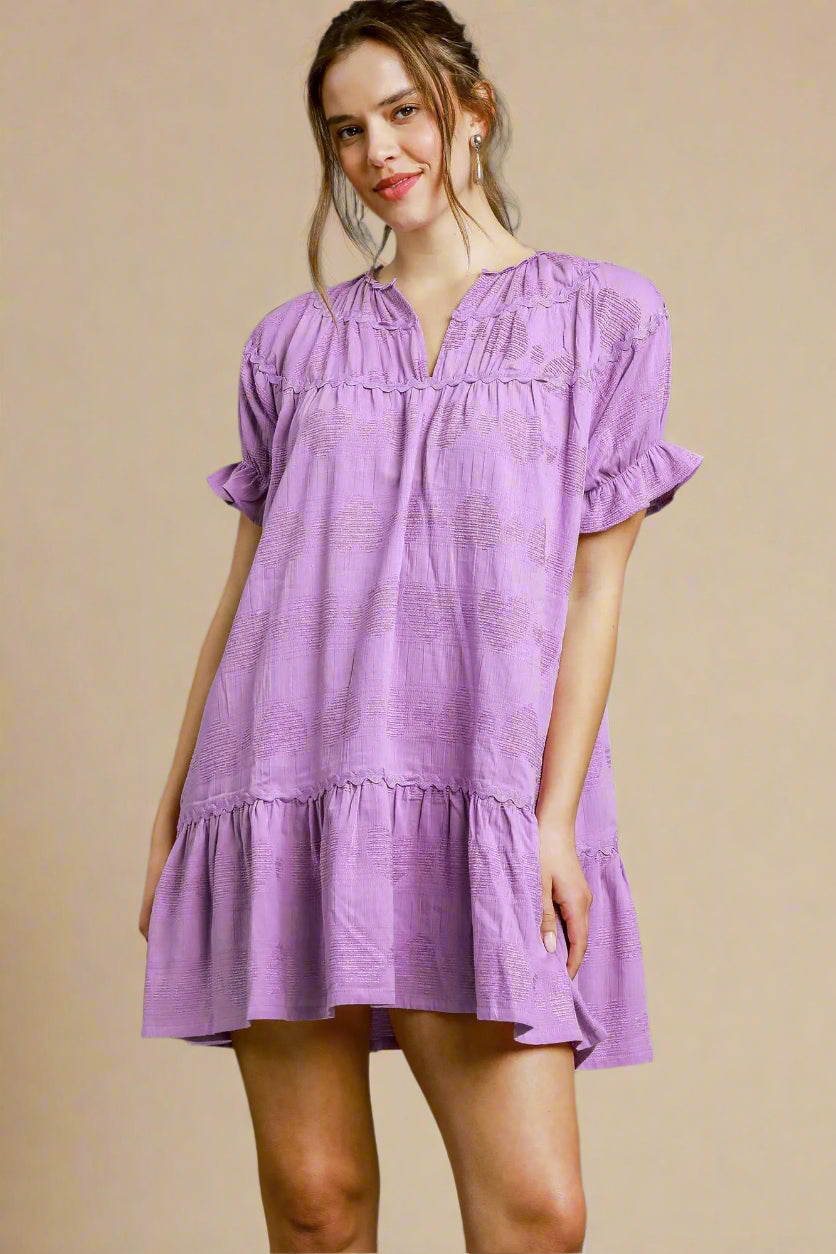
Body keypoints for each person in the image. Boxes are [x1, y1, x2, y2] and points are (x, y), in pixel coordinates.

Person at [139, 2, 704, 1250]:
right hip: (282, 776)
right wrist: (181, 810)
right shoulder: (292, 344)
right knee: (317, 1204)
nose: (377, 151)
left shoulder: (602, 319)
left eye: (403, 111)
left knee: (536, 1214)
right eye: (346, 130)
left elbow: (592, 590)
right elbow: (243, 593)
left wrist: (549, 819)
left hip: (480, 784)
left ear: (472, 105)